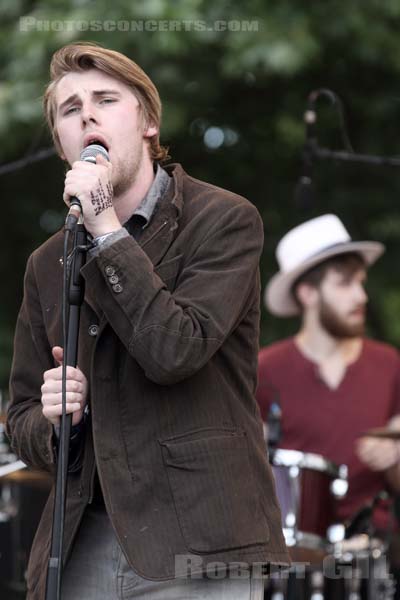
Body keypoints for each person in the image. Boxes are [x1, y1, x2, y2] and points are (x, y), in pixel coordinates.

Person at [6, 42, 289, 600]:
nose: (86, 113)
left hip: (200, 541)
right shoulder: (46, 263)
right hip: (83, 539)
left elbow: (175, 350)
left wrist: (106, 229)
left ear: (149, 124)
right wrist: (62, 417)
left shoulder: (223, 220)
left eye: (106, 99)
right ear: (63, 143)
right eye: (69, 109)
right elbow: (20, 419)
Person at [257, 214, 400, 593]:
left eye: (361, 283)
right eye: (345, 283)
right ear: (308, 293)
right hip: (290, 570)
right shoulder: (264, 370)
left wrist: (396, 458)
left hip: (377, 564)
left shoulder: (390, 365)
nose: (361, 296)